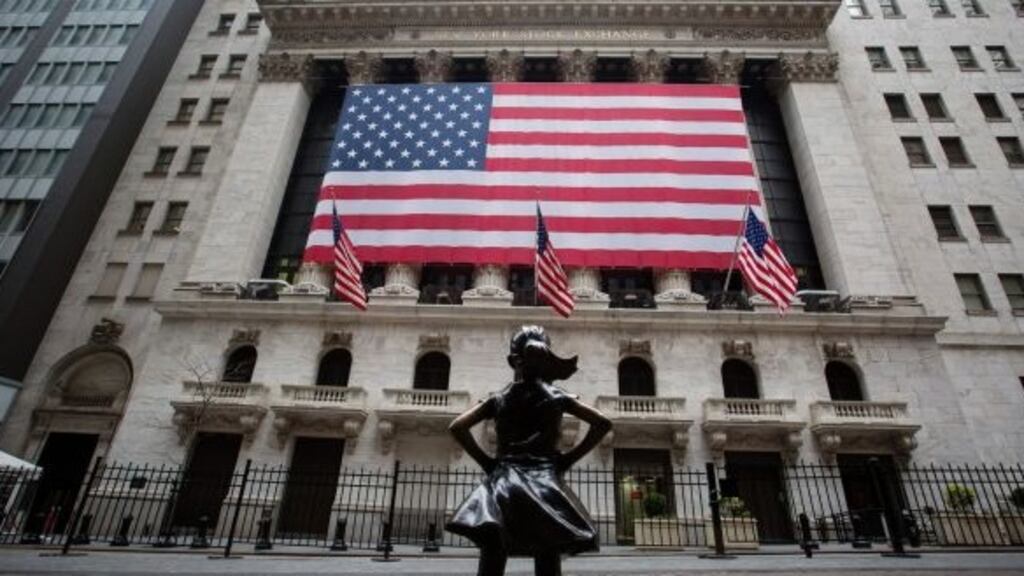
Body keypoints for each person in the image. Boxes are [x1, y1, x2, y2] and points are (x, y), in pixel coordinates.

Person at [446, 326, 612, 576]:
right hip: (544, 483)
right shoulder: (557, 396)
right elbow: (602, 423)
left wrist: (487, 463)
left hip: (504, 482)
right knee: (547, 551)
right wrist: (568, 459)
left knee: (494, 549)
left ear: (514, 360)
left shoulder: (499, 398)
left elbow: (457, 426)